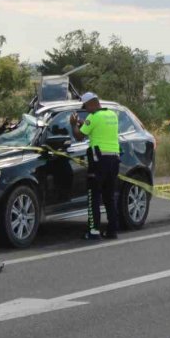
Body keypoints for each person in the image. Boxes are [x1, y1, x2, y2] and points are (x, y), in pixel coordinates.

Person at [71, 92, 120, 240]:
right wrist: (83, 123)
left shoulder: (93, 117)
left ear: (92, 103)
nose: (85, 110)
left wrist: (74, 124)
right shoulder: (112, 115)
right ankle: (112, 230)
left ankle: (93, 231)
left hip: (98, 160)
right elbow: (97, 129)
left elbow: (79, 136)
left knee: (94, 196)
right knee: (109, 196)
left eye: (86, 106)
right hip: (114, 158)